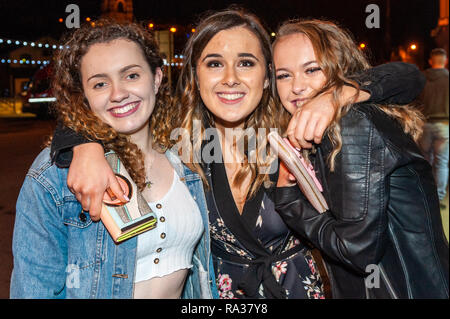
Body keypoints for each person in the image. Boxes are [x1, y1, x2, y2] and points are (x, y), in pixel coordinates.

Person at [50, 9, 427, 299]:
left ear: (266, 77)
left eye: (246, 62)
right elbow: (109, 106)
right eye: (214, 63)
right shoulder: (177, 144)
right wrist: (82, 144)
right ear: (195, 76)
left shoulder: (300, 133)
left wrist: (337, 94)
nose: (230, 76)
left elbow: (408, 77)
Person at [10, 20, 218, 299]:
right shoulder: (55, 176)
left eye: (131, 75)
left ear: (156, 78)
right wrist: (79, 144)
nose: (118, 93)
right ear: (84, 96)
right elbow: (33, 290)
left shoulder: (186, 154)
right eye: (99, 83)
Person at [273, 19, 449, 299]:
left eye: (312, 69)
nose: (296, 86)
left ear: (340, 70)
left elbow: (356, 251)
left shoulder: (351, 124)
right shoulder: (322, 130)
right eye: (284, 75)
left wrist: (288, 198)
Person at [419, 48, 449, 209]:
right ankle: (438, 197)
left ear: (431, 61)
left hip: (424, 124)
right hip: (444, 125)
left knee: (425, 161)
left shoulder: (422, 78)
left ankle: (424, 194)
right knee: (442, 163)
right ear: (445, 61)